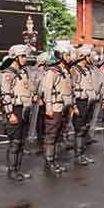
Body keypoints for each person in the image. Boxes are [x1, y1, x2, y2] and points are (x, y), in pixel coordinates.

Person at [0, 44, 33, 181]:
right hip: (15, 110)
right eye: (23, 56)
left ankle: (18, 169)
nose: (25, 59)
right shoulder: (8, 74)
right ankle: (12, 171)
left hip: (25, 109)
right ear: (15, 57)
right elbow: (5, 95)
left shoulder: (23, 71)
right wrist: (9, 114)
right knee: (15, 142)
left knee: (21, 142)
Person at [41, 44, 74, 173]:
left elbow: (69, 90)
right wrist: (48, 107)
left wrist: (71, 105)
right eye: (67, 54)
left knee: (58, 135)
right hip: (54, 107)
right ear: (60, 56)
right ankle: (49, 162)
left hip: (64, 106)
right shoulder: (52, 71)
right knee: (51, 136)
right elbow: (47, 90)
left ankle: (54, 160)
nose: (69, 57)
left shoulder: (66, 70)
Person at [70, 46, 97, 163]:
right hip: (80, 102)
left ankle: (82, 153)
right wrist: (74, 106)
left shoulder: (88, 69)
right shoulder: (74, 70)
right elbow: (70, 88)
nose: (92, 58)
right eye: (90, 56)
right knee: (79, 129)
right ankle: (77, 156)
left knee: (85, 127)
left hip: (89, 101)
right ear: (84, 57)